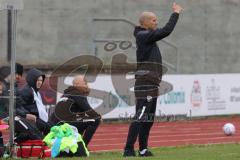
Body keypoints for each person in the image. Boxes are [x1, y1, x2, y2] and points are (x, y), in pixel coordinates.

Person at [123, 2, 183, 157]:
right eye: (154, 20)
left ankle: (143, 149)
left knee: (148, 119)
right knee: (141, 116)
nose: (156, 22)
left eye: (156, 20)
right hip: (145, 83)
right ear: (144, 23)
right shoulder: (144, 36)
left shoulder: (146, 37)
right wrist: (175, 13)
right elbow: (166, 31)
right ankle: (128, 149)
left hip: (151, 84)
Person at [53, 75, 101, 147]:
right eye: (84, 83)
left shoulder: (67, 94)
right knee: (96, 119)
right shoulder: (77, 94)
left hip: (56, 126)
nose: (87, 85)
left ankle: (76, 144)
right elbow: (89, 110)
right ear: (77, 84)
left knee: (81, 118)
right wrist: (98, 116)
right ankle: (83, 147)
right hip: (63, 126)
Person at [20, 68, 52, 135]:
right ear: (32, 80)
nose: (40, 82)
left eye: (41, 80)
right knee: (51, 129)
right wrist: (26, 115)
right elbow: (18, 106)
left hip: (36, 120)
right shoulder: (27, 91)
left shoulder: (35, 91)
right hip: (31, 121)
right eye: (37, 80)